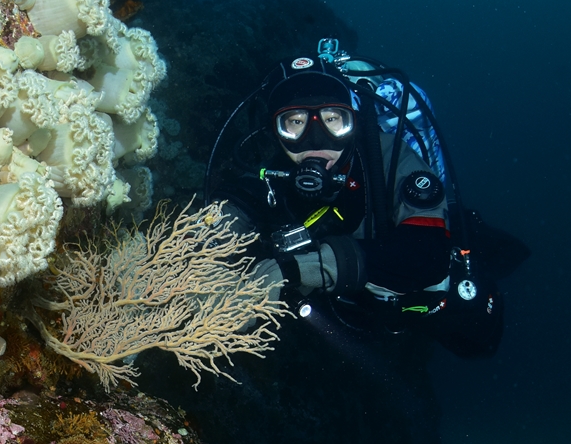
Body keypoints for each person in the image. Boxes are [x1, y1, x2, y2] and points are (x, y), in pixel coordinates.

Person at [205, 45, 527, 357]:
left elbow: (427, 253)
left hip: (409, 294)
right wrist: (210, 233)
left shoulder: (389, 157)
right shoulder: (276, 171)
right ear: (275, 131)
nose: (315, 141)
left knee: (474, 339)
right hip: (351, 305)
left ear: (353, 122)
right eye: (295, 122)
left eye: (333, 119)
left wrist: (299, 269)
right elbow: (243, 198)